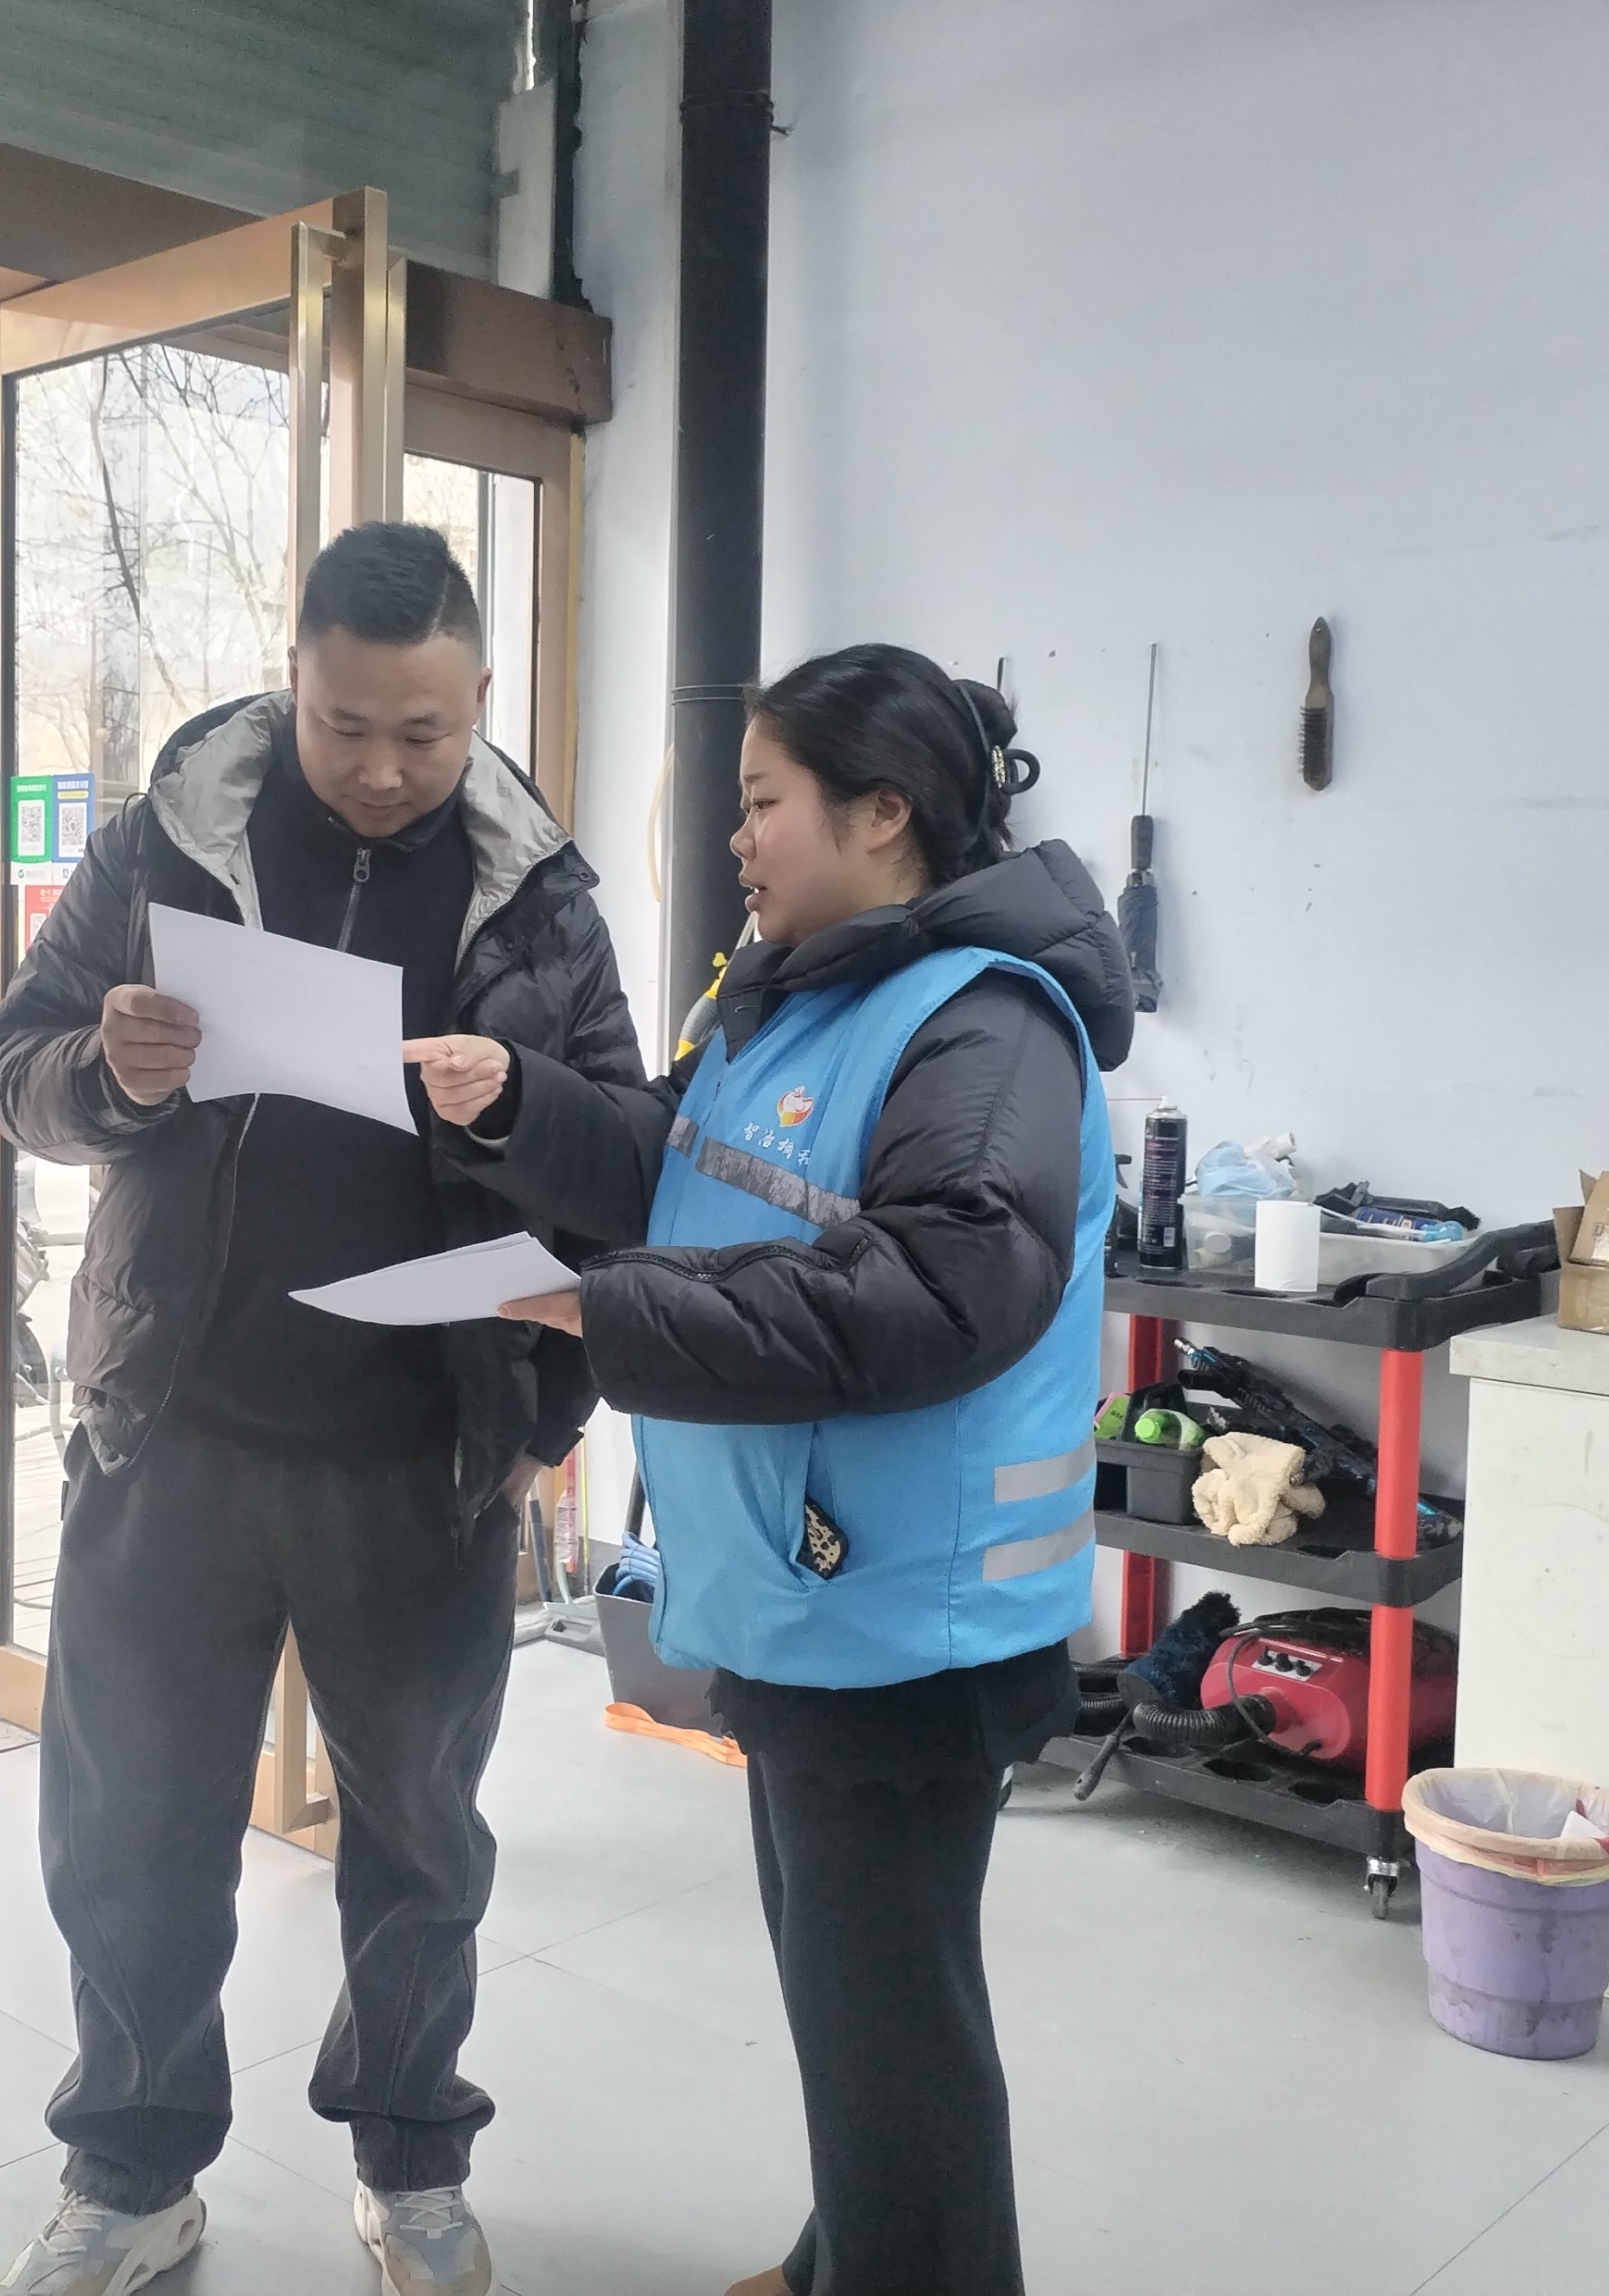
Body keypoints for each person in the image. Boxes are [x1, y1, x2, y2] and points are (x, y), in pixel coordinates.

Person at [408, 644, 1134, 2296]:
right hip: (807, 1590)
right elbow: (676, 1164)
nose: (734, 838)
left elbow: (936, 1288)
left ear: (880, 812)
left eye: (760, 801)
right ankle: (839, 2256)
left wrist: (608, 1311)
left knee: (893, 2020)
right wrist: (515, 1101)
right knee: (842, 1991)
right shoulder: (791, 993)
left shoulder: (985, 1024)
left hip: (910, 1621)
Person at [0, 521, 646, 2296]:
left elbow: (626, 1167)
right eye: (346, 723)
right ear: (293, 679)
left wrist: (545, 1376)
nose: (380, 768)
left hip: (423, 1445)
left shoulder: (539, 897)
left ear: (479, 697)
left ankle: (411, 2159)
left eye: (423, 732)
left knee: (419, 1839)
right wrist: (103, 1075)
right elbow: (12, 1072)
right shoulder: (165, 840)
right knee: (132, 1826)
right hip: (171, 1422)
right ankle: (131, 2172)